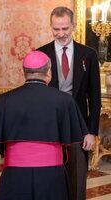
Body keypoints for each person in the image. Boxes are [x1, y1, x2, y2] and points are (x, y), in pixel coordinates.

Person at [0, 50, 89, 200]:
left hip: (15, 175)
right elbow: (71, 138)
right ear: (49, 72)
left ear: (23, 73)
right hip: (51, 176)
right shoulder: (65, 101)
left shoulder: (3, 100)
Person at [38, 6, 101, 200]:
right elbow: (37, 96)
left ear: (73, 26)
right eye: (56, 29)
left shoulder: (88, 55)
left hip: (79, 126)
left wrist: (91, 132)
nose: (61, 34)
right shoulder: (41, 54)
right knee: (50, 175)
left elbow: (95, 96)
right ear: (50, 27)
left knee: (77, 176)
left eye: (65, 28)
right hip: (49, 126)